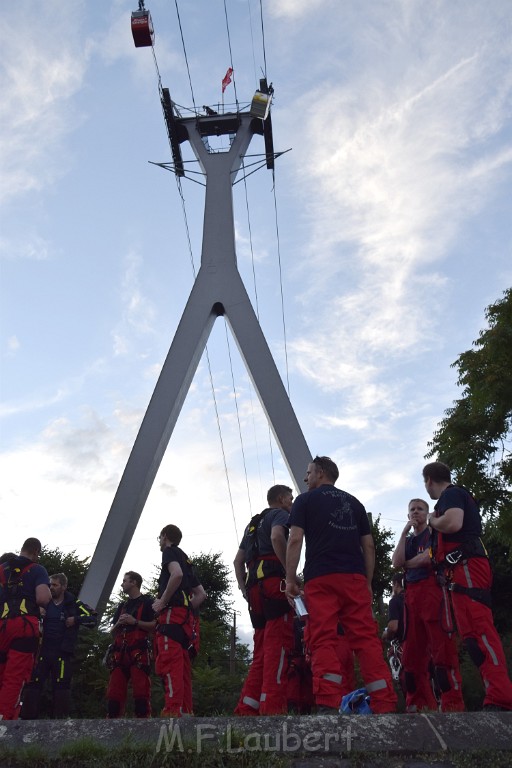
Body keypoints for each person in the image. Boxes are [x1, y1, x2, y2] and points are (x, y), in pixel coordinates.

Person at [285, 456, 397, 714]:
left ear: (320, 472)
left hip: (321, 578)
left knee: (323, 638)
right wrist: (367, 582)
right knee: (366, 639)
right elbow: (368, 546)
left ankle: (327, 703)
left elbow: (295, 539)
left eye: (308, 472)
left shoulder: (304, 501)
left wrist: (290, 578)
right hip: (355, 578)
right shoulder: (355, 503)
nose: (305, 478)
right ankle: (384, 702)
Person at [423, 461, 512, 711]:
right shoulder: (454, 496)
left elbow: (452, 524)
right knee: (473, 638)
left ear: (429, 479)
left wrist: (432, 520)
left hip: (467, 568)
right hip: (458, 573)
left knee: (480, 631)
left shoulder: (452, 494)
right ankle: (496, 695)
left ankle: (502, 697)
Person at [392, 498, 464, 712]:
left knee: (442, 650)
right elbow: (396, 562)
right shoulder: (409, 539)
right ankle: (418, 704)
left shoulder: (433, 533)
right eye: (412, 510)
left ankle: (453, 705)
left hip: (432, 592)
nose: (416, 513)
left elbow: (428, 558)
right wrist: (404, 533)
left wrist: (408, 563)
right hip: (411, 596)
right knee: (411, 654)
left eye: (420, 509)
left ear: (427, 513)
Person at [233, 484, 295, 715]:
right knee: (277, 647)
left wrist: (243, 588)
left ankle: (247, 707)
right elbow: (277, 536)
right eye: (290, 497)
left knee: (260, 650)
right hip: (274, 585)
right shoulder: (280, 515)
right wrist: (290, 573)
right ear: (280, 498)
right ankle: (273, 709)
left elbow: (237, 561)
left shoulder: (252, 523)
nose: (292, 502)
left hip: (254, 591)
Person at [21, 572, 97, 719]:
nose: (51, 588)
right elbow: (24, 616)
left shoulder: (73, 603)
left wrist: (75, 619)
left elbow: (93, 618)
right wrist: (37, 613)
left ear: (64, 586)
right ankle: (26, 720)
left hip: (62, 652)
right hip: (42, 650)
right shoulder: (43, 601)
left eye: (55, 585)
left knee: (61, 686)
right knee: (33, 684)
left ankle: (59, 722)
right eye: (50, 585)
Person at [152, 525, 205, 717]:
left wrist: (163, 601)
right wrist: (187, 609)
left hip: (171, 615)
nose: (159, 541)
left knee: (169, 661)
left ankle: (172, 711)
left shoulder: (169, 552)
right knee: (182, 666)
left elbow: (176, 574)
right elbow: (201, 594)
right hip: (184, 619)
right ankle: (185, 710)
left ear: (165, 536)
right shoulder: (185, 558)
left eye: (159, 537)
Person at [0, 539, 51, 720]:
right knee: (15, 676)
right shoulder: (37, 569)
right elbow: (43, 598)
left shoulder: (2, 568)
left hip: (2, 626)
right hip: (24, 627)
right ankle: (4, 721)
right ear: (36, 551)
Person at [105, 571, 155, 718]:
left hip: (138, 651)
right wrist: (119, 623)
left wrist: (135, 622)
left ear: (134, 582)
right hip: (120, 652)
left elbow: (155, 626)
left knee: (141, 690)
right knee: (114, 691)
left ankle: (143, 725)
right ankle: (112, 726)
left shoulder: (147, 603)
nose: (122, 584)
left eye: (125, 580)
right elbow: (112, 633)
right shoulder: (122, 606)